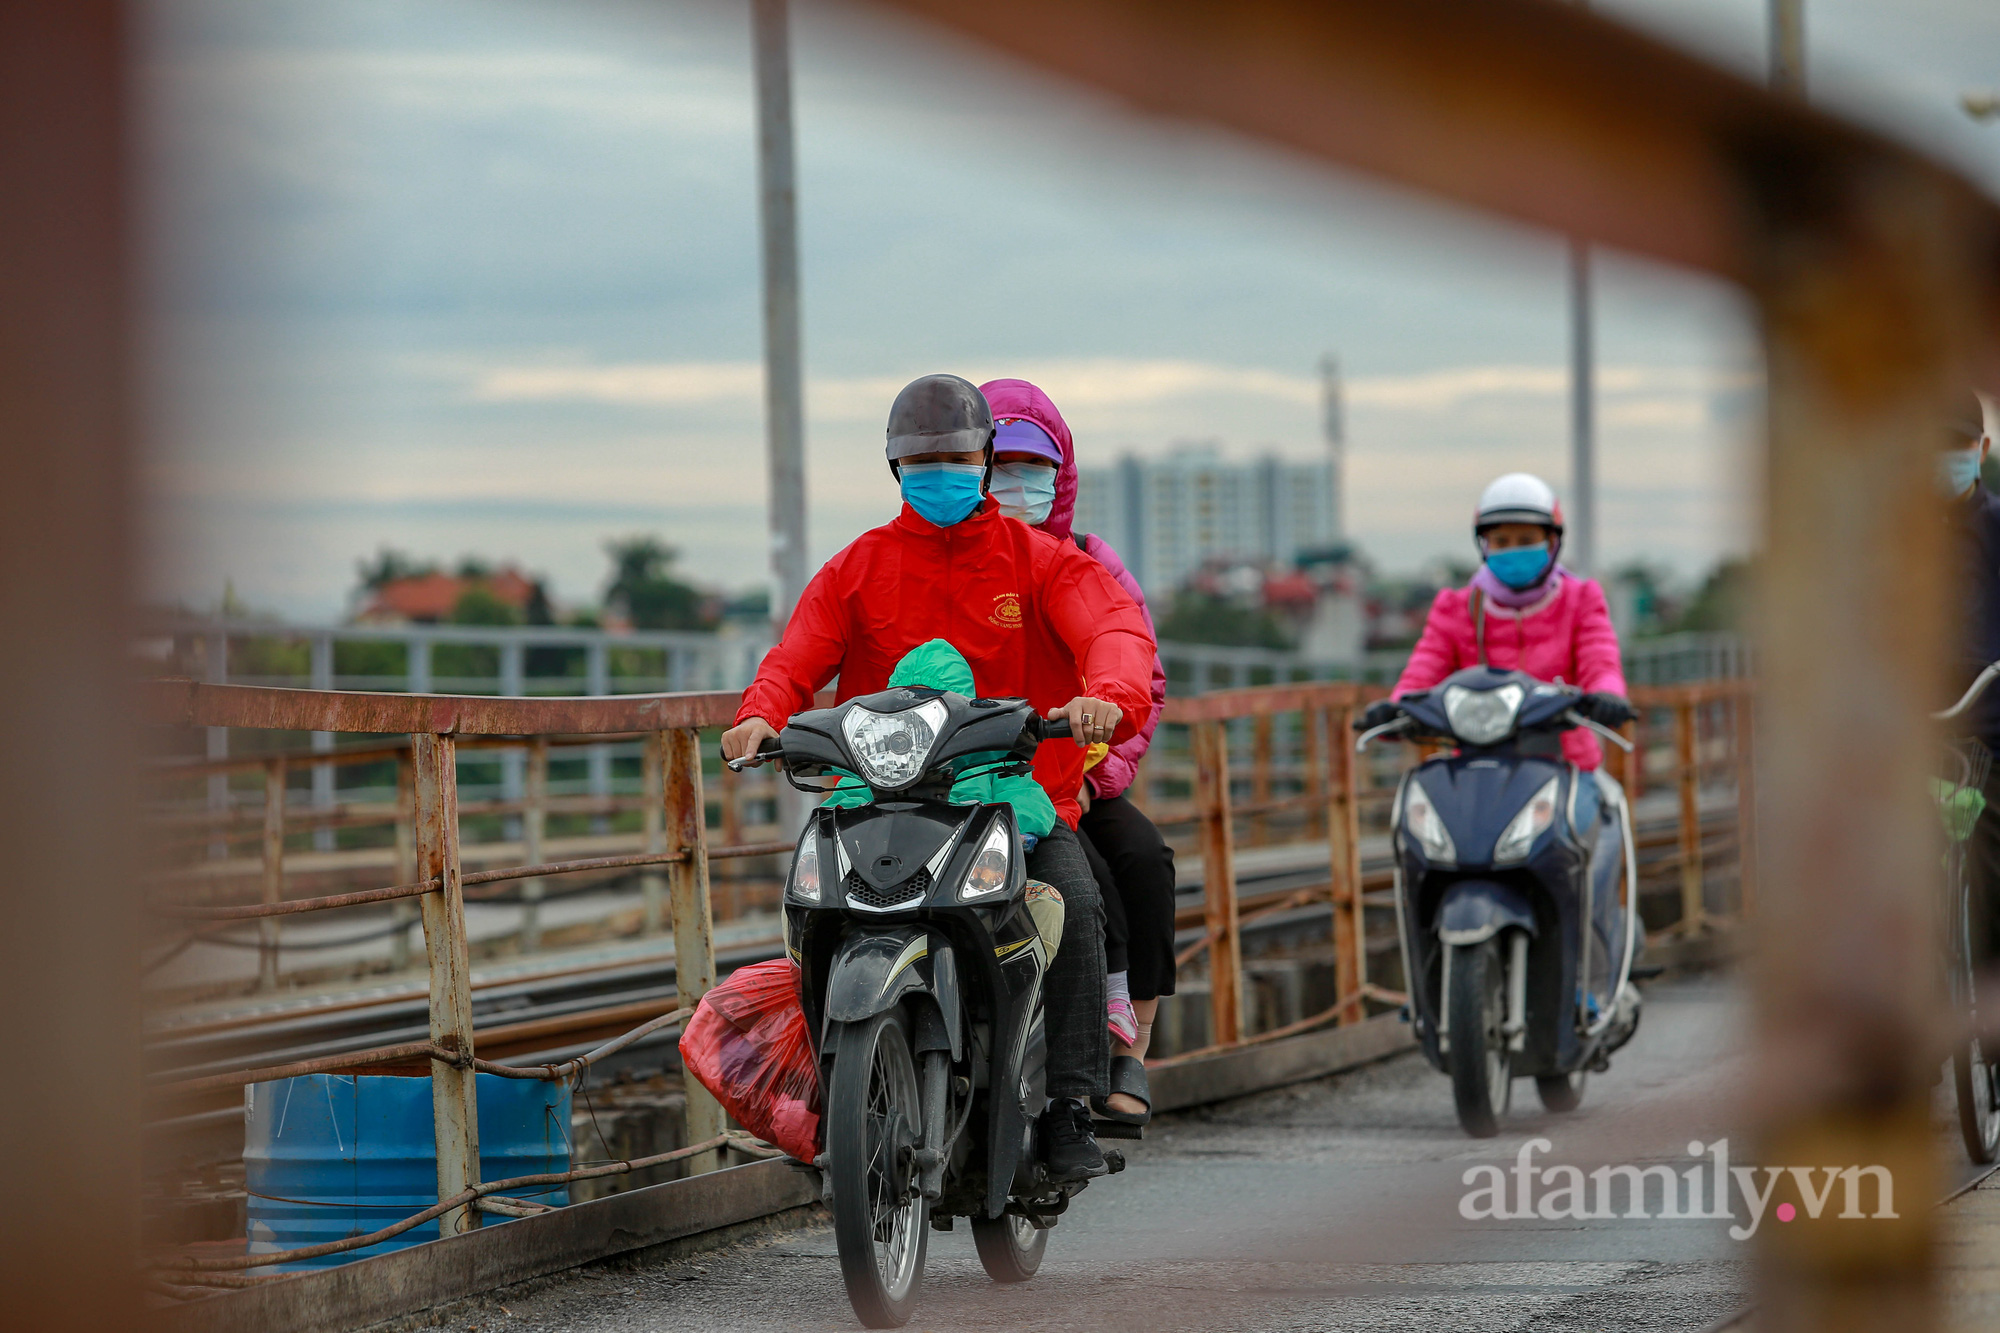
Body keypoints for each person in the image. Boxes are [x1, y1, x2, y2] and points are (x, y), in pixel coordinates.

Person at [722, 373, 1157, 1183]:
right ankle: (830, 1096)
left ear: (986, 459)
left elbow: (1114, 629)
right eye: (923, 461)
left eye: (958, 457)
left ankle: (1068, 1104)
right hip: (878, 801)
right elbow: (796, 657)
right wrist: (760, 711)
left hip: (1012, 800)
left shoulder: (1042, 563)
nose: (942, 472)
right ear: (895, 470)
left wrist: (1108, 697)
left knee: (1077, 896)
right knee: (812, 913)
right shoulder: (857, 568)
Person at [980, 377, 1176, 1127]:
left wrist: (1103, 773)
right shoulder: (959, 564)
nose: (1016, 485)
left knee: (1141, 863)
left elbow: (1142, 674)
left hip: (1081, 776)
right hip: (977, 776)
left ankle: (1130, 1046)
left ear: (1061, 476)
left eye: (1034, 469)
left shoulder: (1088, 560)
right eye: (1000, 467)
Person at [1373, 472, 1634, 764]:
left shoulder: (1581, 599)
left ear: (1551, 542)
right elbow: (1423, 671)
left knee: (1596, 808)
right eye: (1501, 541)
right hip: (1476, 764)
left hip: (1567, 762)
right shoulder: (1456, 608)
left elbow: (1600, 661)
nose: (1513, 549)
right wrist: (1396, 708)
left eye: (1525, 540)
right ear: (1484, 545)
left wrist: (1607, 695)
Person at [1943, 392, 2000, 968]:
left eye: (1956, 444)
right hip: (1911, 739)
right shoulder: (1893, 541)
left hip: (1991, 739)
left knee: (1993, 881)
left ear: (1981, 450)